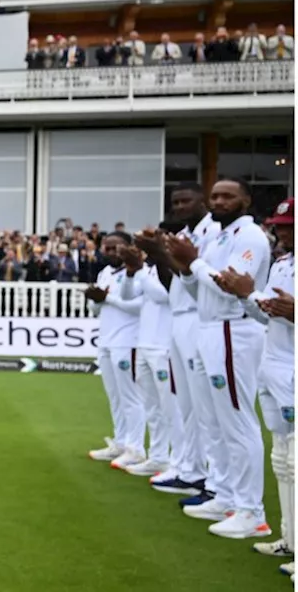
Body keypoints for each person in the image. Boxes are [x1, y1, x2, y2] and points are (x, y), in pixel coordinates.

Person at [167, 178, 273, 538]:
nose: (220, 200)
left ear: (246, 199)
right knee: (216, 419)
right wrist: (185, 267)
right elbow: (201, 286)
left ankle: (252, 512)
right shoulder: (219, 235)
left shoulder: (250, 236)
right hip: (211, 328)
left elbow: (231, 285)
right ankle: (226, 493)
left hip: (235, 329)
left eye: (229, 195)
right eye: (215, 195)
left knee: (238, 421)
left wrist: (193, 264)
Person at [216, 198, 294, 569]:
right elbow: (265, 316)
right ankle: (289, 539)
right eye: (280, 224)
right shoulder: (281, 265)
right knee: (281, 459)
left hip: (293, 367)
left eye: (290, 225)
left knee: (295, 460)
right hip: (272, 364)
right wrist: (247, 294)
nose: (283, 231)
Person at [137, 185, 222, 499]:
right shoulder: (185, 234)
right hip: (180, 315)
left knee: (204, 406)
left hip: (201, 316)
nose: (181, 206)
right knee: (184, 401)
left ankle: (214, 480)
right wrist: (159, 254)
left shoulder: (213, 231)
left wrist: (162, 253)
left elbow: (197, 274)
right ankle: (190, 469)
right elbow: (173, 278)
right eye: (175, 202)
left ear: (202, 202)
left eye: (187, 200)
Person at [85, 232, 146, 468]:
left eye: (115, 248)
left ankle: (136, 447)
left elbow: (138, 308)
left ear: (128, 248)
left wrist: (106, 299)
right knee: (115, 397)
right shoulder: (105, 273)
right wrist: (97, 299)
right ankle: (120, 442)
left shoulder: (139, 274)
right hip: (106, 340)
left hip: (128, 340)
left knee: (131, 397)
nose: (109, 252)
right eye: (106, 248)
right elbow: (95, 309)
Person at [121, 243, 182, 478]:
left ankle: (178, 463)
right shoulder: (145, 271)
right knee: (152, 407)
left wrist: (138, 271)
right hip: (144, 344)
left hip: (163, 346)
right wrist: (131, 272)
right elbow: (127, 294)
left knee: (171, 408)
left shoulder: (169, 270)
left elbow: (164, 296)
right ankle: (158, 457)